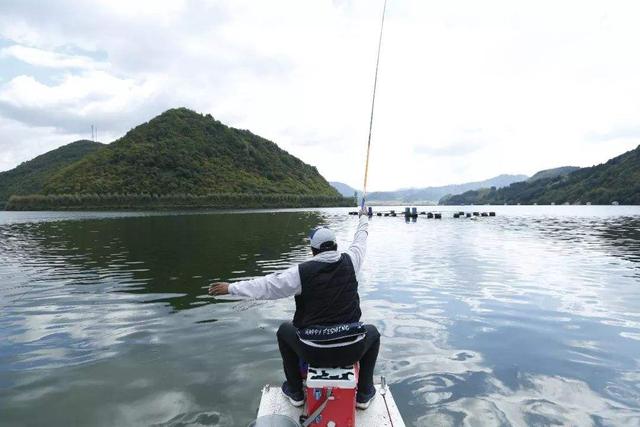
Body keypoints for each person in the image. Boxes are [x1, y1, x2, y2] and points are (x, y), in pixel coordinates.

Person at [209, 208, 380, 409]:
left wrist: (230, 288)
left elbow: (266, 286)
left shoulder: (300, 273)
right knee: (373, 333)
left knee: (284, 331)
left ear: (313, 250)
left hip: (313, 351)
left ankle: (295, 391)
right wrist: (363, 218)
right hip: (351, 349)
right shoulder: (352, 260)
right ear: (335, 246)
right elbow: (361, 239)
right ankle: (364, 394)